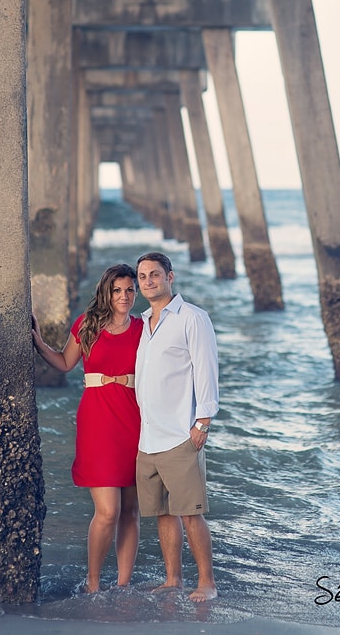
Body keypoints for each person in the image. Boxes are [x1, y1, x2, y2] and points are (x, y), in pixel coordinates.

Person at [32, 263, 143, 593]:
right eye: (117, 290)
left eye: (129, 290)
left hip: (136, 418)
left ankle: (123, 585)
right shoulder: (88, 324)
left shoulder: (146, 327)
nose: (124, 296)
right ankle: (93, 583)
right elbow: (65, 363)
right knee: (108, 511)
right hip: (98, 419)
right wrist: (37, 341)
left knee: (131, 511)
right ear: (106, 292)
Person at [134, 251, 219, 602]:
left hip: (181, 433)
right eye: (142, 276)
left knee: (190, 514)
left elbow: (206, 369)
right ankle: (173, 579)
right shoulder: (142, 323)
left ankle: (207, 583)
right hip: (148, 436)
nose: (148, 281)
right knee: (163, 514)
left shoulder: (192, 318)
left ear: (171, 276)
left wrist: (203, 421)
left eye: (155, 274)